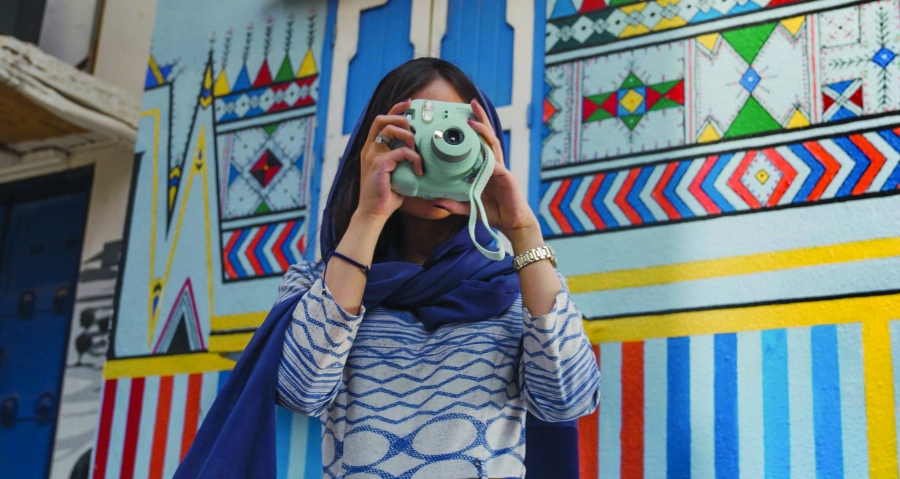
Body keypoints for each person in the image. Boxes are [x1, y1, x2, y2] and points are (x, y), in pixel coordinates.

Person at [274, 58, 600, 478]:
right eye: (414, 133)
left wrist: (523, 230)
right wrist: (368, 215)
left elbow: (567, 400)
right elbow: (301, 392)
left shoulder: (527, 287)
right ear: (372, 147)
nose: (436, 150)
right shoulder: (318, 285)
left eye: (456, 132)